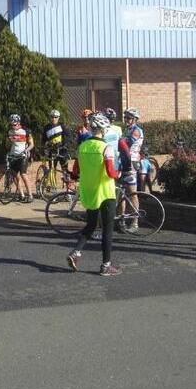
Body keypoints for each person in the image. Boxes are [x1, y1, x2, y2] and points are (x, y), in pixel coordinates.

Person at [66, 112, 122, 277]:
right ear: (103, 130)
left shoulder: (82, 147)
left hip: (89, 191)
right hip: (105, 193)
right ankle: (106, 266)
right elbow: (111, 172)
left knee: (91, 225)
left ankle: (76, 252)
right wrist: (120, 174)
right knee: (107, 230)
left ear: (91, 128)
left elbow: (75, 172)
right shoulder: (106, 148)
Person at [6, 114, 34, 203]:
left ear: (19, 123)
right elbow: (9, 144)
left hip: (23, 156)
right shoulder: (9, 132)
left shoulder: (26, 131)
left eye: (15, 124)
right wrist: (9, 152)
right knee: (15, 176)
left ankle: (30, 195)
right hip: (13, 156)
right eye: (11, 125)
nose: (13, 126)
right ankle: (21, 195)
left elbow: (32, 144)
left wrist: (26, 150)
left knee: (23, 174)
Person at [42, 109, 71, 178]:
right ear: (50, 117)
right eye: (52, 117)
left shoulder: (62, 126)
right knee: (52, 168)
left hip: (62, 150)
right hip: (52, 150)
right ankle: (52, 184)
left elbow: (68, 137)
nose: (53, 119)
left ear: (58, 118)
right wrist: (45, 146)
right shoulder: (46, 127)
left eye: (55, 117)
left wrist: (65, 145)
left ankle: (68, 185)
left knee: (64, 168)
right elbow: (43, 139)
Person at [122, 108, 145, 190]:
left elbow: (126, 144)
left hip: (132, 161)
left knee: (132, 192)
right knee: (123, 191)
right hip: (126, 160)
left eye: (128, 118)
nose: (126, 120)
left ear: (135, 119)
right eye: (125, 117)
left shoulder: (136, 131)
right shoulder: (127, 130)